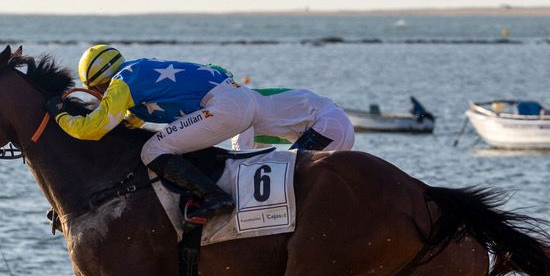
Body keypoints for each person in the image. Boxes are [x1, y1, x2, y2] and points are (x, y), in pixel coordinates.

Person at [48, 45, 258, 223]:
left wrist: (59, 114)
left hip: (221, 108)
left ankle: (214, 197)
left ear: (102, 80)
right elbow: (137, 115)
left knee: (152, 150)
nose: (101, 95)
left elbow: (91, 129)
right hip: (233, 100)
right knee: (168, 143)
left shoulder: (120, 84)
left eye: (98, 89)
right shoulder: (135, 68)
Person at [229, 86, 355, 152]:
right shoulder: (244, 99)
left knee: (290, 175)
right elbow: (260, 158)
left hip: (328, 125)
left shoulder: (236, 111)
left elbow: (241, 160)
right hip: (340, 123)